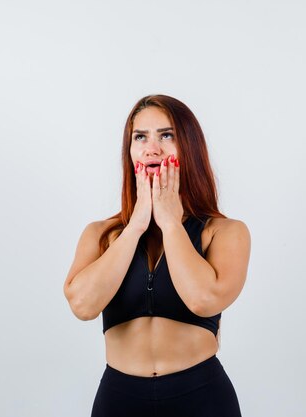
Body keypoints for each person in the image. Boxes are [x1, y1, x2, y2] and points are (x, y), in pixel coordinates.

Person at [63, 94, 251, 417]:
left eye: (167, 135)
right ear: (130, 151)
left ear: (189, 148)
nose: (152, 148)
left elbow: (203, 299)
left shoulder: (225, 232)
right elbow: (82, 305)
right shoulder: (101, 234)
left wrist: (169, 221)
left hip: (201, 398)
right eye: (140, 137)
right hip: (119, 400)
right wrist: (135, 224)